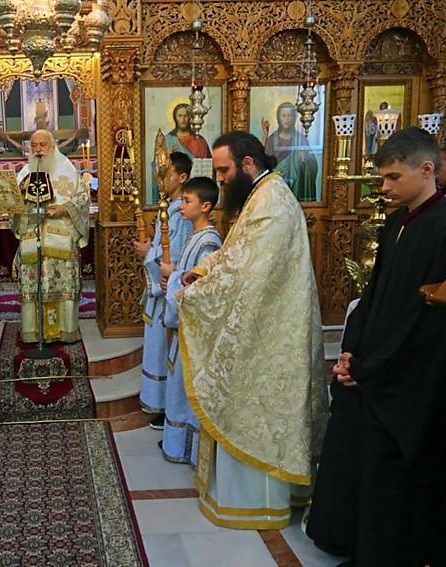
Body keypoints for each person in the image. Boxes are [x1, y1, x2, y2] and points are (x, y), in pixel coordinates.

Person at [306, 127, 446, 567]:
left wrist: (372, 367)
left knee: (386, 465)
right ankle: (346, 538)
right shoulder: (397, 222)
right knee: (352, 447)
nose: (384, 187)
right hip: (370, 363)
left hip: (405, 373)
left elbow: (424, 317)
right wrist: (350, 351)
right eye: (383, 178)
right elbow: (372, 296)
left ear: (426, 169)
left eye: (393, 177)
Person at [177, 131, 328, 529]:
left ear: (247, 164)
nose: (219, 178)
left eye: (224, 170)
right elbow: (235, 254)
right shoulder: (261, 195)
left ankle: (260, 504)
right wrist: (203, 271)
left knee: (253, 403)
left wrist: (198, 293)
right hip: (264, 323)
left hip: (269, 331)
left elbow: (250, 274)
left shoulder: (272, 202)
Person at [157, 176, 222, 466]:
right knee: (179, 385)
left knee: (188, 389)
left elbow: (203, 290)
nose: (181, 206)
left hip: (195, 331)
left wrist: (171, 276)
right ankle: (177, 444)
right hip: (185, 326)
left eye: (187, 201)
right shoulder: (197, 235)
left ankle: (189, 448)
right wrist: (173, 276)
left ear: (205, 206)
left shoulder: (209, 242)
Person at [12, 129, 90, 343]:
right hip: (32, 237)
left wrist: (64, 209)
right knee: (33, 285)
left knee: (62, 284)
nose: (38, 149)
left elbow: (83, 198)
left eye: (43, 145)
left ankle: (64, 331)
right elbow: (14, 205)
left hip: (61, 239)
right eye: (34, 145)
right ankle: (33, 332)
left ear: (52, 147)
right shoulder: (24, 173)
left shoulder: (67, 169)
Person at [135, 151, 193, 429]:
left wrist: (149, 253)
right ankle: (159, 403)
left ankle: (167, 407)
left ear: (182, 177)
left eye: (166, 173)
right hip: (160, 293)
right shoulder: (168, 207)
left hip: (168, 292)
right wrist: (152, 250)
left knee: (164, 350)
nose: (160, 178)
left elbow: (177, 257)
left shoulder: (181, 212)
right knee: (157, 349)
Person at [152, 103, 211, 202]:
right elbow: (158, 166)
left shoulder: (200, 141)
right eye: (180, 116)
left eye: (186, 116)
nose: (183, 119)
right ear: (175, 118)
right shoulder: (167, 140)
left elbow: (207, 168)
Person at [261, 102, 319, 201]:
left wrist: (304, 160)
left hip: (296, 189)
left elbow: (312, 163)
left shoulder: (300, 139)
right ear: (278, 118)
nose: (286, 120)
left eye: (289, 116)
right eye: (283, 116)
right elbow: (261, 160)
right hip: (276, 189)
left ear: (294, 118)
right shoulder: (272, 139)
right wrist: (265, 135)